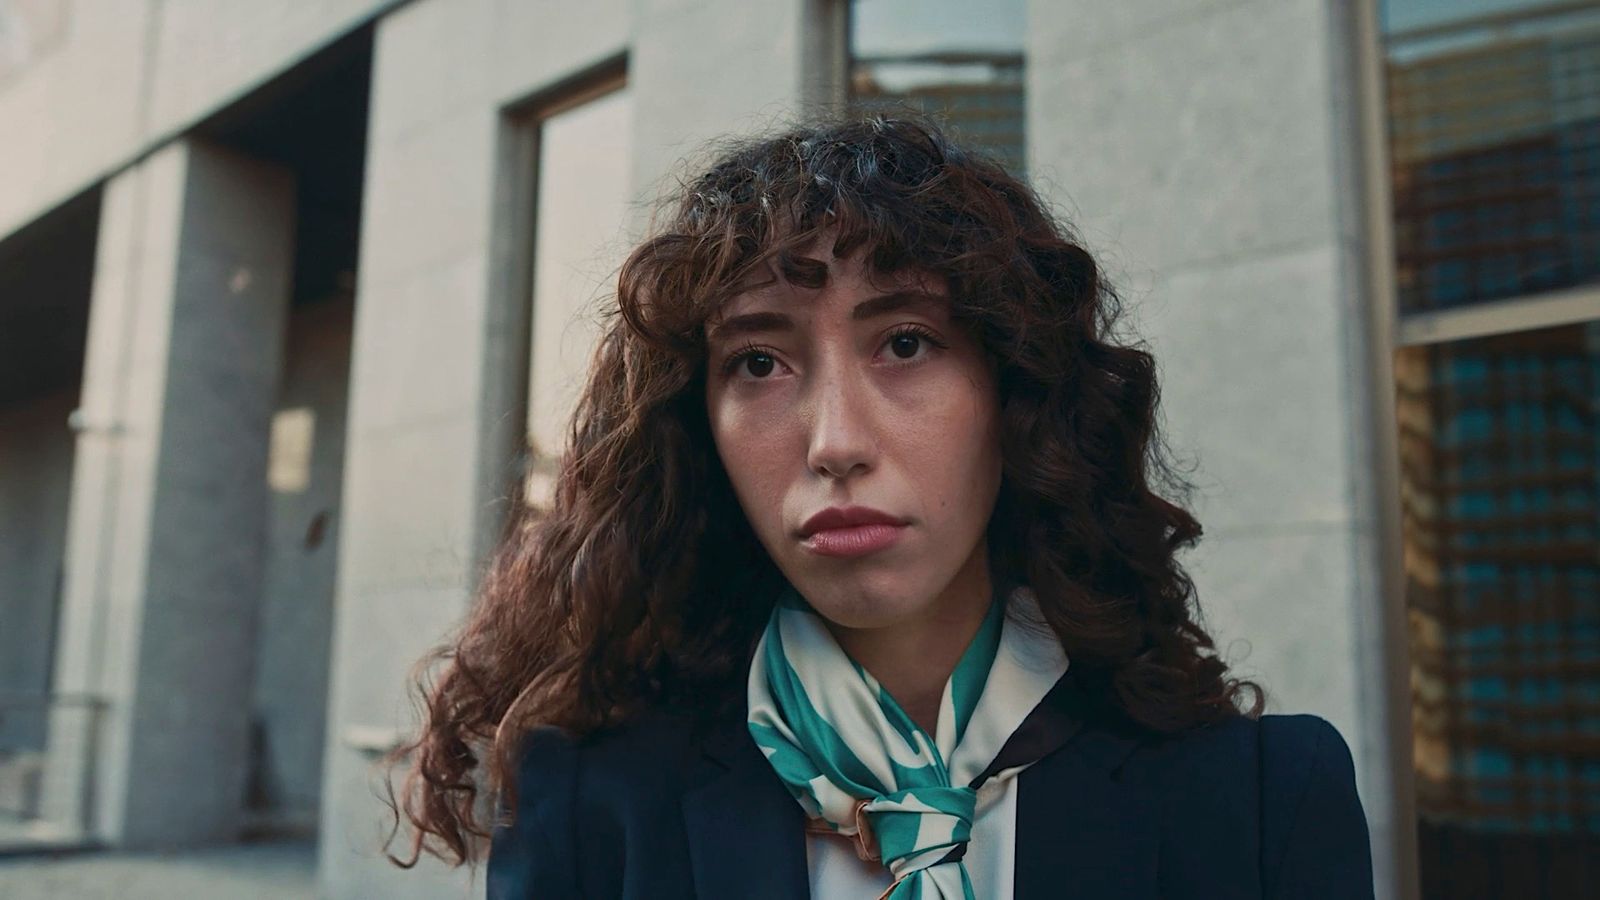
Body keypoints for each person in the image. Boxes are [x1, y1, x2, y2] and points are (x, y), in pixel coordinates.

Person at [385, 114, 1375, 899]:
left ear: (1013, 393)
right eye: (759, 363)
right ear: (700, 427)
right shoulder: (590, 798)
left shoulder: (1259, 801)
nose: (833, 442)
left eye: (904, 343)